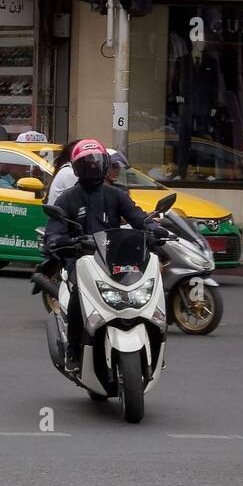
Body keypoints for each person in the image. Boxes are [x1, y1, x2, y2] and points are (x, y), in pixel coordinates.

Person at [44, 139, 165, 372]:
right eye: (86, 163)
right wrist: (59, 240)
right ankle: (73, 349)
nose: (92, 167)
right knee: (79, 295)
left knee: (145, 288)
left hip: (113, 258)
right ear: (76, 167)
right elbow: (54, 230)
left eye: (96, 162)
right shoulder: (67, 199)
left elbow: (137, 217)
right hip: (80, 260)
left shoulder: (116, 195)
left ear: (105, 164)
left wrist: (153, 229)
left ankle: (153, 340)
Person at [47, 144, 127, 204]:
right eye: (114, 166)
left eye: (96, 161)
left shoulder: (116, 193)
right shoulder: (70, 191)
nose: (93, 166)